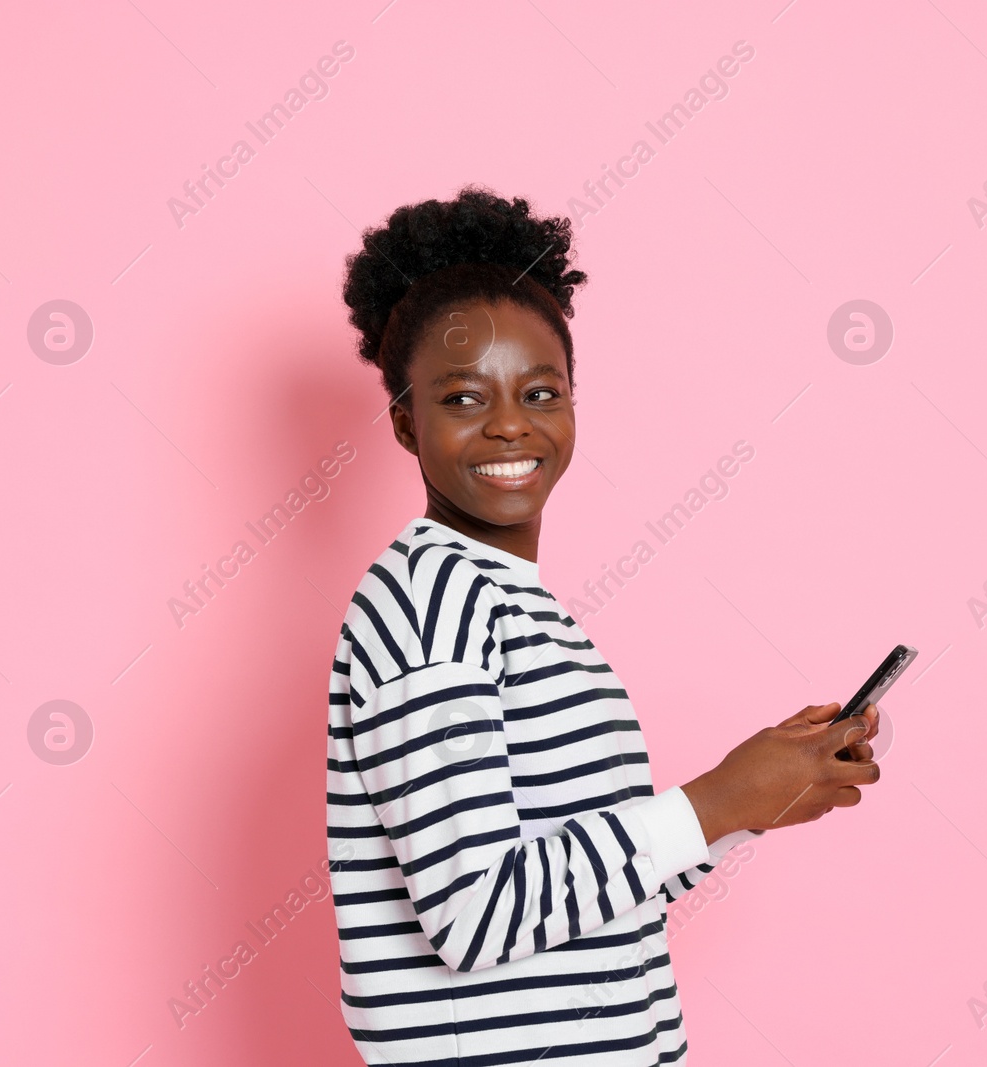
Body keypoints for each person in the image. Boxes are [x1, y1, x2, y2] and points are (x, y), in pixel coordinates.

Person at [325, 187, 880, 1065]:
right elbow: (475, 913)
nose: (510, 422)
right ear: (406, 421)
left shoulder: (518, 606)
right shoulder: (428, 604)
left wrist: (750, 802)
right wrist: (715, 798)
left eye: (540, 390)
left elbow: (588, 900)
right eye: (464, 399)